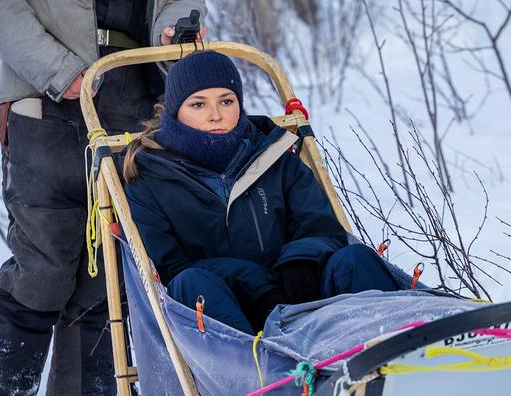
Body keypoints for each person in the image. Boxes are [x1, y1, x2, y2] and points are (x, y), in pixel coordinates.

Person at [0, 1, 207, 396]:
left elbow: (176, 5)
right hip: (46, 100)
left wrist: (173, 30)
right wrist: (57, 69)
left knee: (107, 274)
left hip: (136, 99)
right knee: (44, 266)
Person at [121, 51, 401, 335]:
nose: (215, 115)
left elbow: (323, 229)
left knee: (355, 259)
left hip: (299, 298)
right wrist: (252, 282)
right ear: (175, 112)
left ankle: (395, 349)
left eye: (226, 101)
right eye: (198, 104)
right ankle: (258, 374)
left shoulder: (276, 157)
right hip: (223, 324)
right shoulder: (148, 179)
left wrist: (300, 262)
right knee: (192, 284)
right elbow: (170, 270)